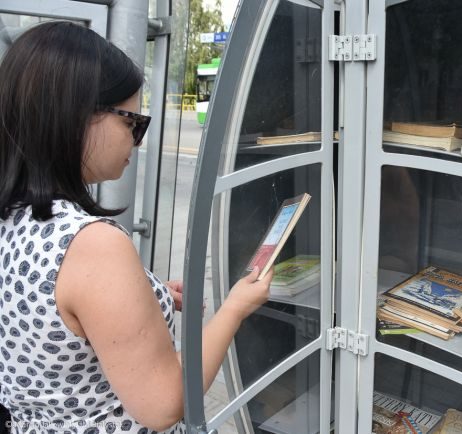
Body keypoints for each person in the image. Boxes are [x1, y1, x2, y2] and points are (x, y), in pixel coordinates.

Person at [0, 21, 272, 433]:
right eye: (132, 122)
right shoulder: (90, 245)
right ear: (80, 116)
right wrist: (234, 309)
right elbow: (166, 402)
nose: (138, 140)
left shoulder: (17, 219)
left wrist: (148, 292)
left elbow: (57, 317)